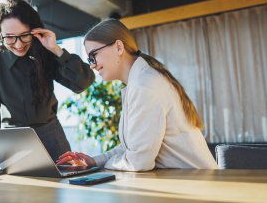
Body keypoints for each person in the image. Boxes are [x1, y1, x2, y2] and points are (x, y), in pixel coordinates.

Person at [57, 19, 218, 171]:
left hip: (199, 186)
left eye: (93, 56)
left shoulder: (144, 85)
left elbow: (138, 162)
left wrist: (102, 166)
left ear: (119, 47)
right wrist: (93, 161)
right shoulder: (139, 81)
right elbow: (131, 148)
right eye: (89, 59)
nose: (92, 66)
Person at [0, 0, 95, 175]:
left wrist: (56, 49)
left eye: (24, 35)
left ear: (34, 30)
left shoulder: (46, 54)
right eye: (9, 37)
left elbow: (83, 81)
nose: (18, 44)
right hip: (15, 144)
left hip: (53, 139)